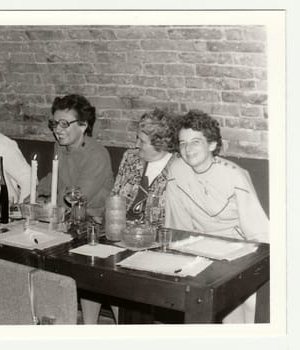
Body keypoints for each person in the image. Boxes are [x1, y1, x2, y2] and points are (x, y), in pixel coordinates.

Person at [165, 110, 269, 323]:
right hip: (201, 249)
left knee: (249, 304)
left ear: (212, 145)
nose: (187, 149)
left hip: (242, 248)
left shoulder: (234, 175)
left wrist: (259, 271)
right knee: (221, 310)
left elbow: (257, 229)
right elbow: (177, 224)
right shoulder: (176, 170)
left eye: (196, 141)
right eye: (182, 143)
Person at [81, 109, 177, 324]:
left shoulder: (178, 168)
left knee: (117, 276)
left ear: (160, 144)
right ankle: (87, 330)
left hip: (151, 243)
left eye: (142, 141)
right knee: (90, 263)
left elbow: (170, 221)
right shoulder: (131, 157)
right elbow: (116, 196)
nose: (136, 145)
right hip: (119, 234)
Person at [38, 94, 113, 215]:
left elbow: (78, 196)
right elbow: (55, 176)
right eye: (55, 123)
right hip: (64, 215)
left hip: (92, 221)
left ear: (83, 125)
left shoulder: (97, 154)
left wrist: (47, 203)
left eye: (64, 124)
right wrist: (37, 193)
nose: (57, 129)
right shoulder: (59, 146)